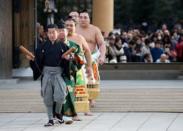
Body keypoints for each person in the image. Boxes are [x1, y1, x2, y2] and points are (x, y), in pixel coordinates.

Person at [27, 24, 69, 127]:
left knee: (61, 96)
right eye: (49, 33)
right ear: (47, 34)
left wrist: (68, 59)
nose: (51, 35)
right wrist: (32, 60)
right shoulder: (42, 47)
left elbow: (69, 62)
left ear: (58, 32)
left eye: (53, 32)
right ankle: (50, 119)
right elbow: (37, 61)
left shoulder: (64, 46)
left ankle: (58, 113)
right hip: (46, 74)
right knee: (48, 98)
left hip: (58, 74)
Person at [76, 10, 106, 107]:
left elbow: (101, 44)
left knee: (92, 79)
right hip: (77, 57)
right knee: (78, 79)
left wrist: (102, 56)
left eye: (85, 17)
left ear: (89, 19)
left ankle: (91, 98)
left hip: (91, 57)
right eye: (81, 17)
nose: (83, 19)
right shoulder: (74, 29)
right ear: (78, 18)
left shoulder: (95, 30)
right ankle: (80, 97)